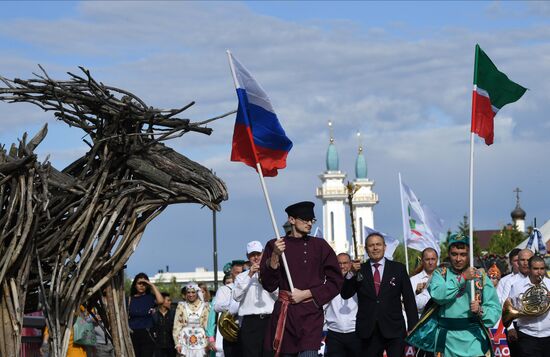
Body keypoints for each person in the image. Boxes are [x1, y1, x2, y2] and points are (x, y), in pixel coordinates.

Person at [260, 201, 343, 357]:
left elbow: (336, 281)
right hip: (285, 317)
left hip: (311, 315)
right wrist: (275, 256)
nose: (309, 223)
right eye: (305, 219)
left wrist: (307, 294)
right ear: (292, 220)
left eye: (312, 220)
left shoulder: (320, 246)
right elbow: (269, 285)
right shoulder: (275, 245)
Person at [406, 233, 501, 357]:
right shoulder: (440, 274)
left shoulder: (480, 276)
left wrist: (481, 310)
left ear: (469, 255)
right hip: (447, 342)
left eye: (463, 254)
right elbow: (439, 296)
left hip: (474, 341)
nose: (458, 259)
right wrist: (463, 278)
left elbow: (494, 308)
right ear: (449, 254)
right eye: (454, 254)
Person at [341, 232, 418, 357]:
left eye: (378, 244)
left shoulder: (398, 269)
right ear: (366, 249)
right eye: (371, 245)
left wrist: (413, 327)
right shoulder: (360, 270)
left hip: (394, 329)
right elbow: (345, 294)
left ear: (384, 247)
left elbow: (409, 300)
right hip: (368, 330)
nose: (375, 248)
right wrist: (351, 274)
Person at [233, 240, 277, 357]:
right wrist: (249, 275)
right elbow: (236, 296)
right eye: (252, 255)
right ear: (248, 257)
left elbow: (278, 294)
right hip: (250, 322)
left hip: (269, 320)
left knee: (270, 354)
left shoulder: (271, 273)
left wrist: (267, 277)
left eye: (258, 254)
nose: (256, 257)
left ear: (263, 253)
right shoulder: (241, 277)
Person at [508, 255, 550, 357]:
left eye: (542, 268)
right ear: (529, 269)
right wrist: (510, 328)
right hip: (527, 335)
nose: (539, 272)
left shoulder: (549, 284)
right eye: (536, 269)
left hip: (548, 335)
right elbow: (509, 308)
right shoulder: (517, 286)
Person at [324, 252, 360, 357]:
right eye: (339, 263)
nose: (342, 266)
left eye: (345, 263)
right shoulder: (327, 281)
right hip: (334, 333)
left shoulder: (358, 280)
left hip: (355, 332)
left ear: (351, 264)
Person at [503, 248, 534, 356]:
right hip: (517, 328)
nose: (525, 263)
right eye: (522, 260)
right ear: (517, 262)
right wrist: (510, 328)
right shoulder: (509, 282)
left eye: (528, 260)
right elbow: (505, 307)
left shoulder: (542, 280)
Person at [128, 273, 165, 357]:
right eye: (139, 283)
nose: (142, 286)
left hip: (147, 332)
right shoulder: (130, 299)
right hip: (133, 333)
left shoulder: (150, 297)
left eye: (144, 284)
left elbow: (161, 301)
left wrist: (151, 284)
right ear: (135, 285)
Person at [214, 262, 243, 357]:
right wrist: (232, 305)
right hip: (230, 332)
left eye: (242, 272)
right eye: (237, 272)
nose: (240, 275)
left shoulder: (249, 287)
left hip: (247, 330)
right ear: (232, 273)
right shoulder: (224, 289)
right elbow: (217, 307)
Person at [173, 283, 210, 357]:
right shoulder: (181, 306)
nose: (191, 295)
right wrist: (177, 343)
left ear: (197, 293)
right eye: (188, 292)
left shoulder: (205, 306)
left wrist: (208, 343)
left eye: (193, 292)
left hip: (201, 341)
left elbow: (208, 326)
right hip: (184, 341)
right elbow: (177, 326)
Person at [410, 247, 438, 316]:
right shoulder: (413, 280)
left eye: (433, 259)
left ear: (437, 260)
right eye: (427, 259)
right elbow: (409, 305)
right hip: (421, 321)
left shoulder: (445, 277)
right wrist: (417, 293)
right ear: (422, 261)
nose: (430, 262)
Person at [153, 292, 176, 357]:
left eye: (170, 300)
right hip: (158, 347)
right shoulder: (154, 315)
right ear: (161, 301)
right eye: (168, 300)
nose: (170, 302)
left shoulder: (174, 314)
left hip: (171, 346)